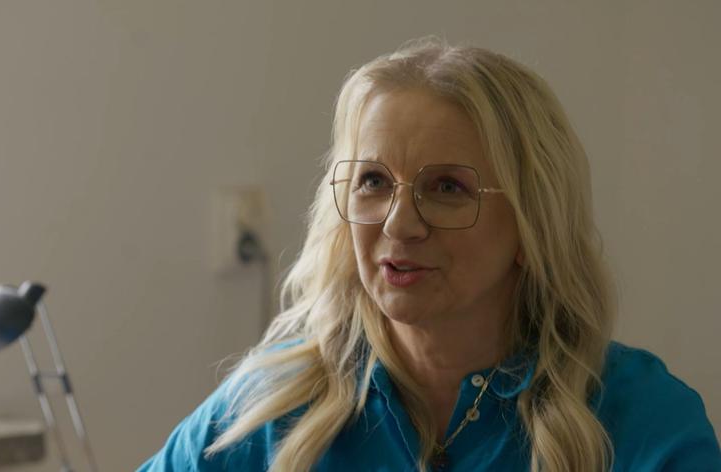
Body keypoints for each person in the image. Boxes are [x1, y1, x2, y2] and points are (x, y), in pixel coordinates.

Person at [138, 37, 721, 471]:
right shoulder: (271, 408)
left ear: (531, 225)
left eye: (447, 187)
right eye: (372, 181)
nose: (399, 223)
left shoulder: (641, 421)